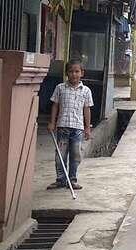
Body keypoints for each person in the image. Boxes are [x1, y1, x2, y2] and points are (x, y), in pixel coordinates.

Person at [47, 59, 93, 190]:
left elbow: (87, 109)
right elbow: (55, 105)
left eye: (77, 71)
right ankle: (61, 180)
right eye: (71, 71)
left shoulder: (86, 91)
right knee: (60, 155)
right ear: (67, 73)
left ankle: (72, 180)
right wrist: (52, 122)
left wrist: (87, 128)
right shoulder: (60, 88)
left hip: (77, 129)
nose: (74, 74)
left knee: (76, 155)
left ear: (82, 73)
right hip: (62, 127)